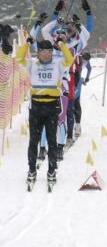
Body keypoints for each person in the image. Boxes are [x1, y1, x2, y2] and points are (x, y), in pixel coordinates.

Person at [18, 37, 74, 191]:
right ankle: (31, 170)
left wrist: (61, 43)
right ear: (39, 52)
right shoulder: (32, 64)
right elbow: (18, 58)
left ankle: (51, 171)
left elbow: (69, 58)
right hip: (36, 106)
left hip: (51, 107)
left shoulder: (58, 64)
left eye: (49, 51)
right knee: (33, 141)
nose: (47, 54)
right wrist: (27, 43)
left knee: (52, 142)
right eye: (43, 51)